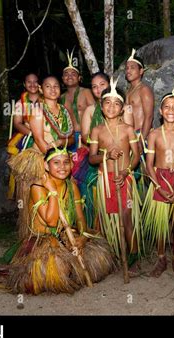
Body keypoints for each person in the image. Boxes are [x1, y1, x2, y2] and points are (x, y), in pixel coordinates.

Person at [0, 147, 117, 295]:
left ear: (71, 165)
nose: (62, 167)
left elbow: (80, 218)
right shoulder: (38, 188)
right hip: (42, 240)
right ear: (46, 166)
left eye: (66, 162)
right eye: (56, 163)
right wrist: (52, 191)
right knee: (59, 269)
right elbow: (52, 222)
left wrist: (83, 238)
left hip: (65, 235)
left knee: (98, 256)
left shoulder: (71, 186)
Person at [8, 75, 74, 240]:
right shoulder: (37, 111)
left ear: (60, 90)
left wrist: (60, 142)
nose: (53, 89)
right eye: (48, 86)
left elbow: (72, 138)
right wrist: (53, 160)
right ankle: (38, 236)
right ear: (41, 90)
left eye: (56, 86)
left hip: (59, 159)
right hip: (41, 160)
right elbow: (40, 141)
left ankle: (63, 233)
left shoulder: (64, 111)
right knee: (42, 198)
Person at [89, 78, 143, 276]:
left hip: (124, 179)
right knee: (105, 219)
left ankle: (133, 257)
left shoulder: (128, 129)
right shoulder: (97, 130)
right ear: (101, 107)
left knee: (127, 219)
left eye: (116, 103)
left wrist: (126, 172)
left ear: (122, 109)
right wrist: (105, 155)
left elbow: (136, 156)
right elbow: (92, 158)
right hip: (105, 180)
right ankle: (108, 258)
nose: (112, 107)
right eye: (107, 103)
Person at [142, 79, 174, 278]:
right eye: (167, 107)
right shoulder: (154, 134)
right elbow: (148, 164)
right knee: (160, 223)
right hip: (159, 178)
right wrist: (158, 186)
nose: (171, 110)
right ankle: (161, 258)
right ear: (161, 112)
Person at [72, 72, 110, 228]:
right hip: (94, 154)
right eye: (94, 86)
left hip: (118, 156)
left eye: (102, 84)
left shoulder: (121, 106)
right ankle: (92, 228)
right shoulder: (90, 110)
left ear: (109, 84)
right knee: (87, 187)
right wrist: (101, 143)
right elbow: (85, 135)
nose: (98, 89)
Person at [123, 49, 155, 199]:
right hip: (130, 137)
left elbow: (148, 116)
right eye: (127, 67)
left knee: (146, 173)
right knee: (132, 175)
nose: (128, 70)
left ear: (141, 71)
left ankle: (150, 208)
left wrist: (142, 139)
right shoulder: (128, 91)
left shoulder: (144, 90)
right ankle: (136, 207)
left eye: (132, 67)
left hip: (142, 135)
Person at [6, 72, 40, 199]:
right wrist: (32, 134)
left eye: (35, 81)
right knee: (16, 153)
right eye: (29, 82)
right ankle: (22, 194)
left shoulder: (47, 99)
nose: (32, 84)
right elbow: (18, 123)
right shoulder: (20, 103)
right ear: (24, 84)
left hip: (45, 134)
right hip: (27, 134)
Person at [60, 49, 95, 151]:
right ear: (62, 78)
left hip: (84, 136)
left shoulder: (86, 92)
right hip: (67, 138)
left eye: (73, 74)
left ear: (79, 78)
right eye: (66, 74)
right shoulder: (60, 97)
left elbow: (95, 115)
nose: (69, 76)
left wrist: (90, 139)